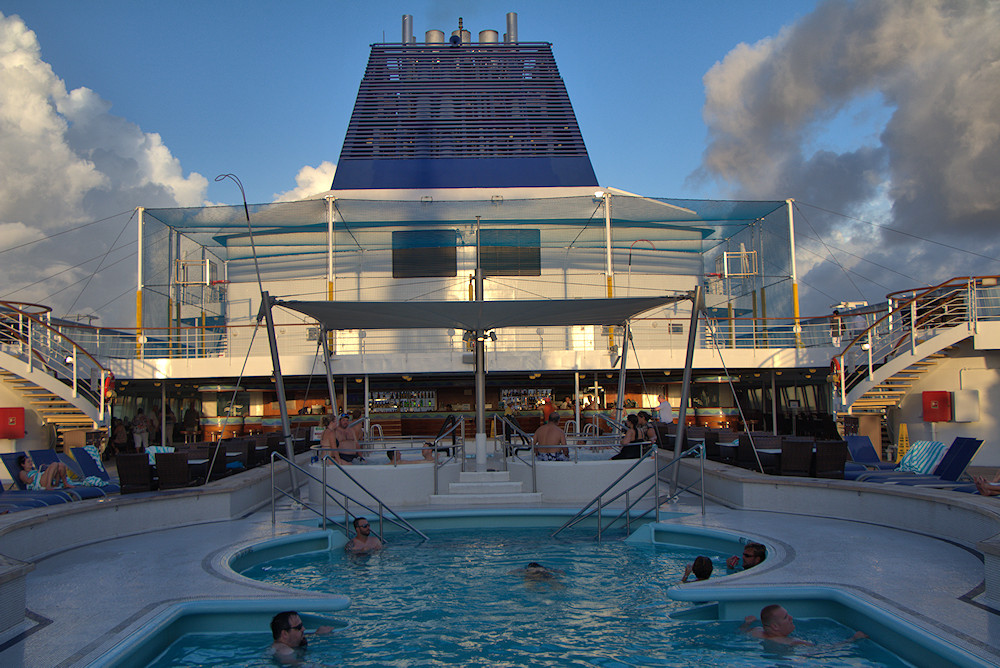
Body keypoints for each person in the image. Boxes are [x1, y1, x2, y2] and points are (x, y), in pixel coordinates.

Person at [740, 604, 866, 646]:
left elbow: (739, 633)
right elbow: (823, 650)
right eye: (785, 617)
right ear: (775, 627)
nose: (791, 618)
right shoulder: (793, 642)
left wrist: (747, 624)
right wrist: (853, 639)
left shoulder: (755, 631)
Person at [269, 610, 333, 664]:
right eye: (299, 627)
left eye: (302, 625)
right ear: (285, 634)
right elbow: (298, 665)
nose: (303, 629)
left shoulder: (288, 644)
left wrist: (317, 634)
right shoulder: (283, 650)